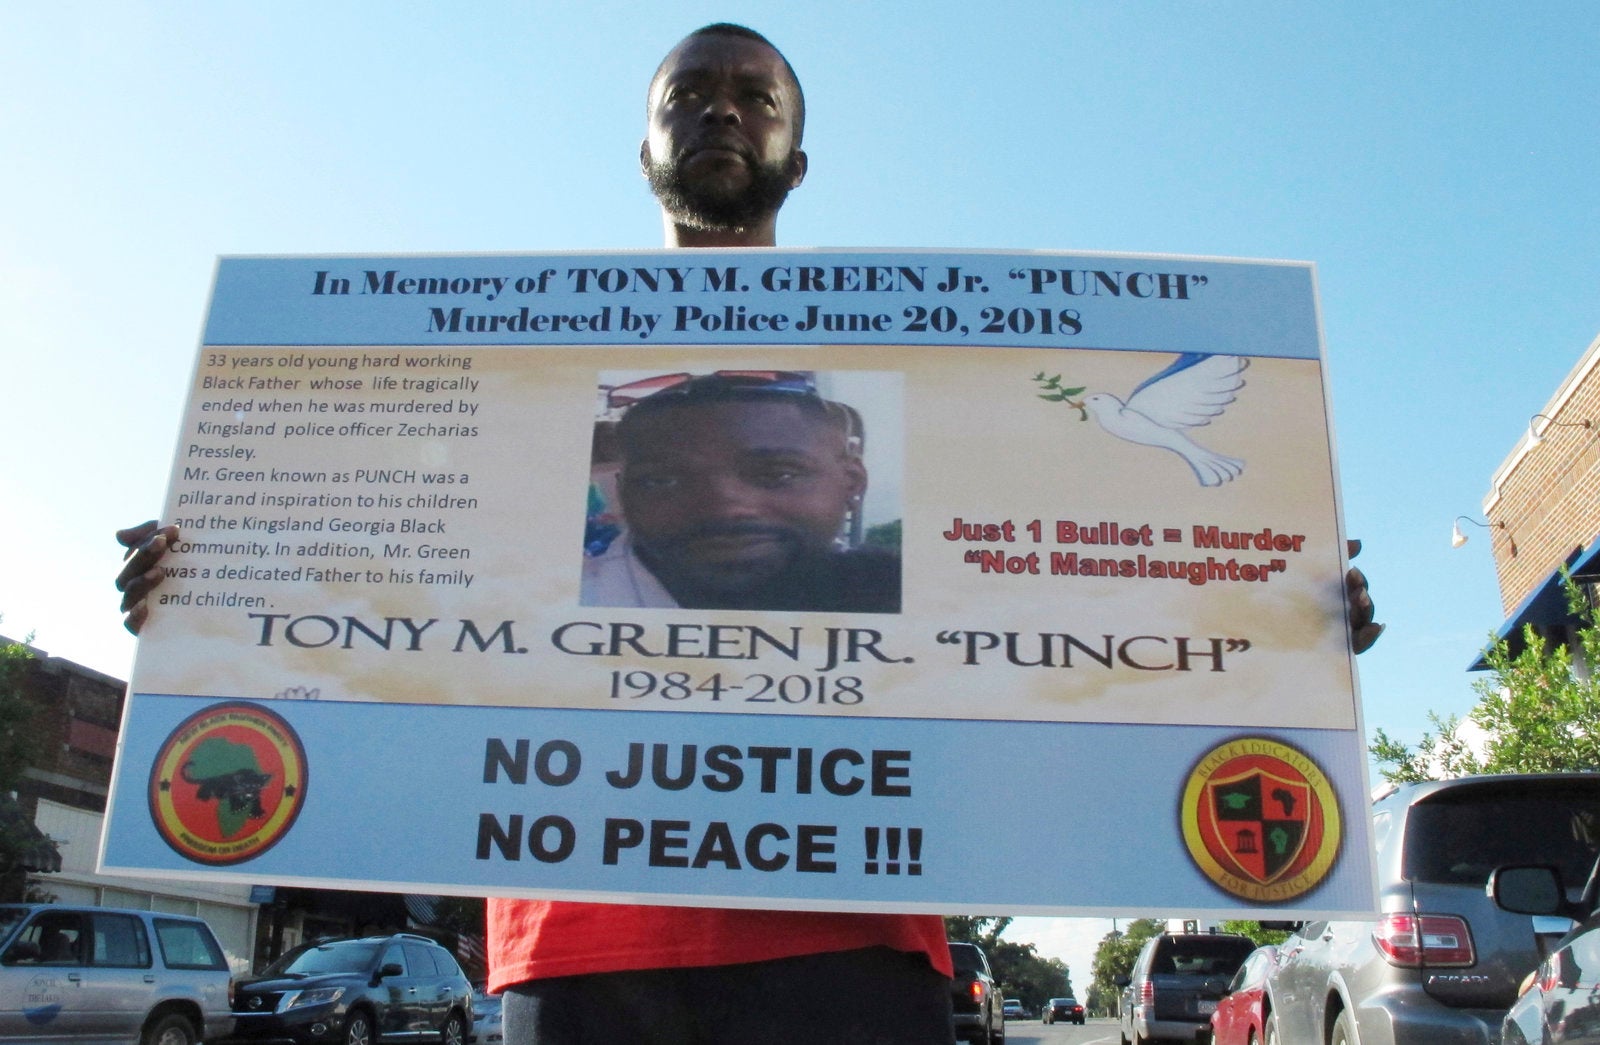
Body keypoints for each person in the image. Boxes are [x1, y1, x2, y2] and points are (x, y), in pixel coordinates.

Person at [115, 22, 1383, 1044]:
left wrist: (1282, 612)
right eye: (689, 94)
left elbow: (1101, 596)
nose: (721, 111)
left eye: (754, 95)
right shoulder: (519, 372)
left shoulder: (936, 365)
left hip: (851, 941)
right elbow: (369, 595)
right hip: (580, 939)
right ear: (646, 145)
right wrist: (210, 585)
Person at [583, 370, 901, 612]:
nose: (724, 508)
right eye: (663, 480)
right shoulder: (558, 604)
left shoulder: (901, 594)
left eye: (779, 474)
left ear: (853, 482)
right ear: (625, 494)